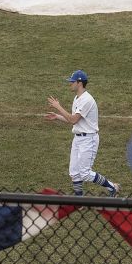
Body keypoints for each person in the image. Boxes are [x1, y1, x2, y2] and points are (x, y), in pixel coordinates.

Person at [45, 69, 121, 197]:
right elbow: (73, 120)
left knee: (85, 173)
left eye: (72, 81)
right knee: (74, 173)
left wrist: (58, 107)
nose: (70, 84)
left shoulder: (87, 100)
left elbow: (73, 119)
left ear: (79, 83)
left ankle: (113, 187)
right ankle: (79, 200)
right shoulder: (77, 98)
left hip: (88, 139)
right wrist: (58, 116)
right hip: (78, 138)